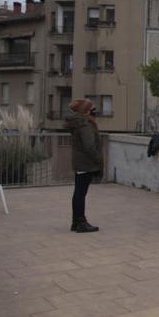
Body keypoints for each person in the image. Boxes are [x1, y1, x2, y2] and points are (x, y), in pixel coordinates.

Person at [65, 98, 102, 233]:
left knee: (78, 193)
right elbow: (89, 146)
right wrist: (98, 159)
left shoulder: (78, 123)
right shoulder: (85, 125)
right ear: (86, 111)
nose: (95, 113)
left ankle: (76, 222)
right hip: (86, 163)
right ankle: (81, 222)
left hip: (80, 163)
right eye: (92, 110)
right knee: (81, 193)